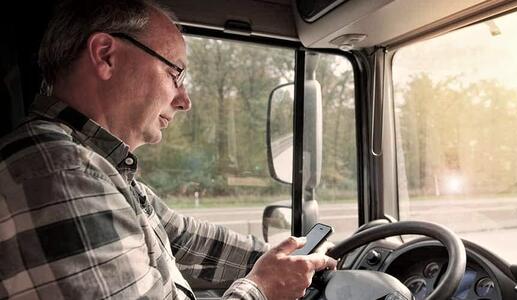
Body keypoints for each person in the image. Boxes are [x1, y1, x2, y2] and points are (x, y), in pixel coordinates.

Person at [0, 0, 337, 299]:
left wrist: (289, 259)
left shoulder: (98, 167)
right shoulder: (63, 174)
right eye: (174, 73)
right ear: (106, 56)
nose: (184, 100)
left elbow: (185, 239)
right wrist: (262, 289)